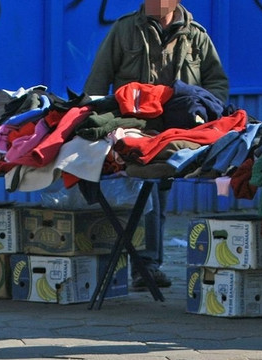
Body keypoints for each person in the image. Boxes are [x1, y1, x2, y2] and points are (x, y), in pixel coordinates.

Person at [83, 0, 230, 290]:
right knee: (142, 196)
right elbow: (97, 83)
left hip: (177, 134)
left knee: (158, 195)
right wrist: (91, 122)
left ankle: (147, 266)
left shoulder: (196, 36)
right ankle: (143, 265)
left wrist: (204, 109)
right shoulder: (125, 30)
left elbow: (218, 84)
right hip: (135, 129)